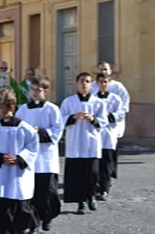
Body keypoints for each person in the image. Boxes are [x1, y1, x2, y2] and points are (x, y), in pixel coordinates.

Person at [0, 89, 39, 234]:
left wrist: (19, 159)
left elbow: (32, 148)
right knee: (3, 217)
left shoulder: (26, 129)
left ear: (11, 107)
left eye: (0, 108)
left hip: (20, 179)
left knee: (20, 216)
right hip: (1, 179)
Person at [15, 76, 63, 232]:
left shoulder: (52, 109)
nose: (34, 93)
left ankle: (47, 217)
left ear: (46, 91)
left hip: (46, 158)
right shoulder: (22, 109)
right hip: (30, 158)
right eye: (33, 89)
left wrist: (39, 132)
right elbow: (17, 130)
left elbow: (57, 132)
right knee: (31, 193)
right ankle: (32, 223)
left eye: (38, 90)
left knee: (48, 192)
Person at [61, 72, 107, 215]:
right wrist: (73, 117)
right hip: (75, 143)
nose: (84, 84)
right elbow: (60, 120)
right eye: (81, 81)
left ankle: (91, 196)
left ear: (91, 84)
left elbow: (104, 121)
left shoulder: (98, 102)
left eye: (87, 81)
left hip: (90, 143)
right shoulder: (68, 102)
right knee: (77, 175)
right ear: (77, 83)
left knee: (92, 173)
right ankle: (80, 202)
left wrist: (93, 118)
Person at [94, 73, 125, 201]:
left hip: (108, 135)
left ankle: (104, 189)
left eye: (106, 82)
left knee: (106, 164)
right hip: (95, 135)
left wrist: (108, 115)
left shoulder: (115, 99)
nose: (103, 84)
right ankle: (95, 187)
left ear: (109, 83)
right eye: (101, 82)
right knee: (95, 164)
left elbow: (120, 114)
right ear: (97, 83)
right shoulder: (92, 99)